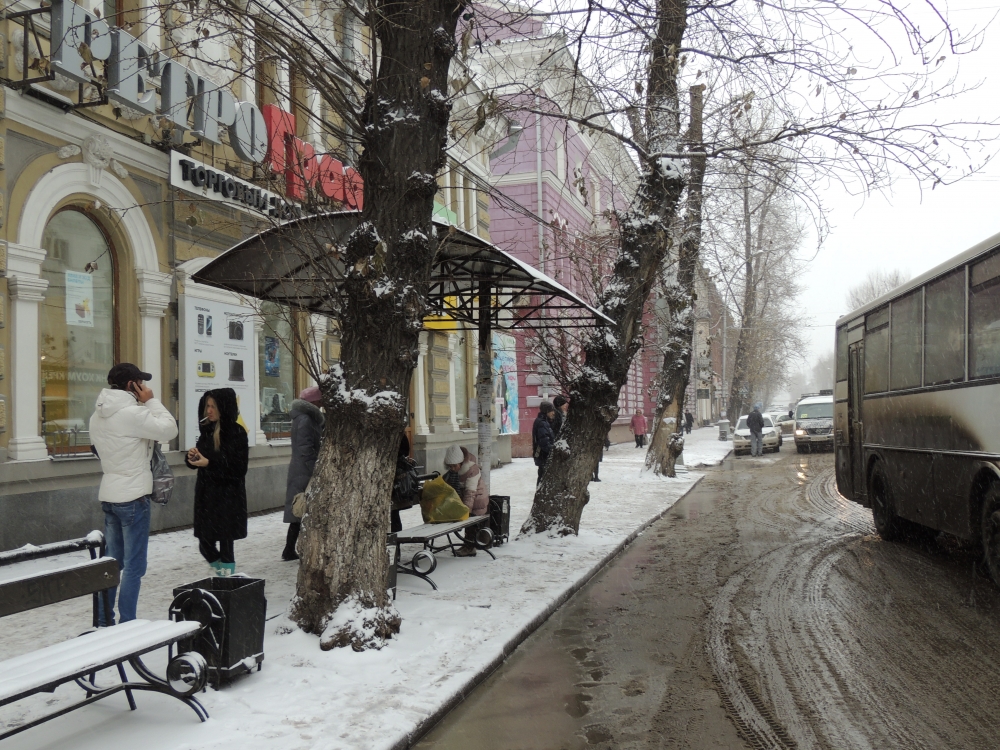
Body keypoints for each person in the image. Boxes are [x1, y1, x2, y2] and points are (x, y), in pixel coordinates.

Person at [89, 363, 178, 625]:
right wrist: (151, 402)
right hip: (133, 497)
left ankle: (105, 620)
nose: (146, 387)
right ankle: (128, 623)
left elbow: (98, 449)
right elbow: (169, 429)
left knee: (112, 563)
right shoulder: (133, 414)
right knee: (134, 566)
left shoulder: (97, 415)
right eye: (142, 382)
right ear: (132, 386)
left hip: (110, 494)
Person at [186, 388, 249, 576]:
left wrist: (210, 463)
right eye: (207, 406)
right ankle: (223, 575)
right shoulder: (207, 430)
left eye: (213, 406)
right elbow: (201, 459)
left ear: (224, 407)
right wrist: (192, 458)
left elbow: (238, 468)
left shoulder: (237, 432)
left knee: (226, 545)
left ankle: (226, 580)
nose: (209, 410)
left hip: (227, 498)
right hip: (207, 499)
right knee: (205, 544)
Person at [282, 386, 324, 561]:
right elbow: (305, 448)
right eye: (320, 400)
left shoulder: (303, 418)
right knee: (301, 508)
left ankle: (290, 549)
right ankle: (290, 549)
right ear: (314, 402)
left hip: (301, 468)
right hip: (305, 470)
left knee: (300, 510)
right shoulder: (306, 419)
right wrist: (315, 468)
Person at [442, 444, 489, 556]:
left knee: (470, 524)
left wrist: (465, 511)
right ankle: (468, 545)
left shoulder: (472, 470)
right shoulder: (454, 473)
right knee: (468, 524)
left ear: (461, 462)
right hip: (467, 501)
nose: (452, 469)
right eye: (450, 467)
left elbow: (470, 493)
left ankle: (469, 547)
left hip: (477, 501)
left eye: (454, 466)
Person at [532, 401, 557, 483]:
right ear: (546, 411)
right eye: (551, 411)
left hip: (543, 455)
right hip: (543, 455)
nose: (553, 413)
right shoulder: (542, 423)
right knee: (543, 478)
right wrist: (552, 451)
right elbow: (544, 442)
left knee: (543, 477)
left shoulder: (544, 422)